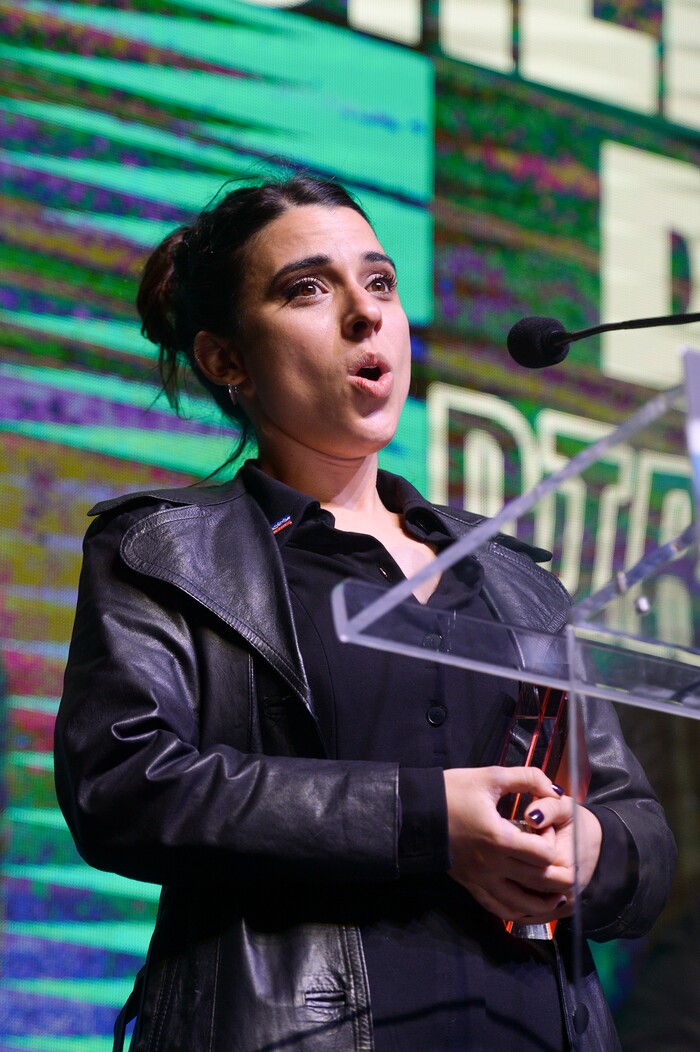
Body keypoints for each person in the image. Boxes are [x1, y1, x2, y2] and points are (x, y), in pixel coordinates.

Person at [54, 175, 676, 1052]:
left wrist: (594, 849)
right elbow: (124, 788)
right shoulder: (168, 553)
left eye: (379, 282)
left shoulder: (510, 576)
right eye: (308, 289)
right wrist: (429, 820)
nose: (365, 314)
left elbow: (639, 831)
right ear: (227, 359)